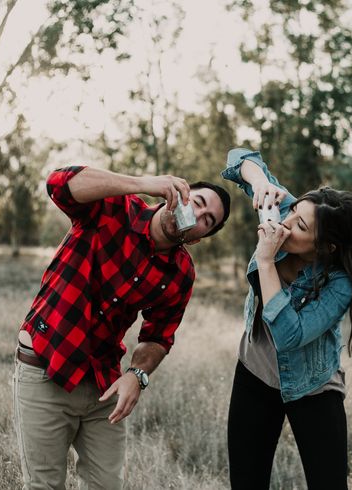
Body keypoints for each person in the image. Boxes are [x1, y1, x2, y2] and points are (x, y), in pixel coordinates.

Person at [13, 165, 230, 489]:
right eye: (197, 202)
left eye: (207, 220)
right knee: (44, 485)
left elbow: (159, 336)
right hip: (46, 365)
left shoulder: (180, 272)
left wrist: (137, 375)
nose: (198, 216)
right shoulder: (115, 207)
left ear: (200, 238)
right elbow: (59, 184)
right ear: (178, 193)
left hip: (103, 382)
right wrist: (144, 182)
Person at [222, 148, 352, 489]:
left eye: (300, 225)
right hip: (256, 372)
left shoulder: (341, 284)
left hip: (313, 385)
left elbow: (289, 336)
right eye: (292, 210)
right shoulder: (285, 211)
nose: (286, 222)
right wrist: (261, 181)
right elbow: (240, 157)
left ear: (325, 247)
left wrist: (266, 262)